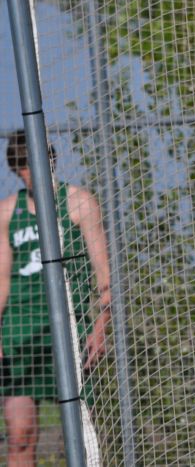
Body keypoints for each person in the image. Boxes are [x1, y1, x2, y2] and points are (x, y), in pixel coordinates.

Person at [0, 130, 111, 466]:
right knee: (20, 435)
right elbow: (2, 278)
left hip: (70, 332)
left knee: (82, 435)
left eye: (38, 162)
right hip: (20, 332)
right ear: (17, 170)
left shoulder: (79, 202)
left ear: (51, 160)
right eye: (24, 166)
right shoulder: (8, 212)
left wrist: (101, 326)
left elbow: (105, 277)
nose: (32, 172)